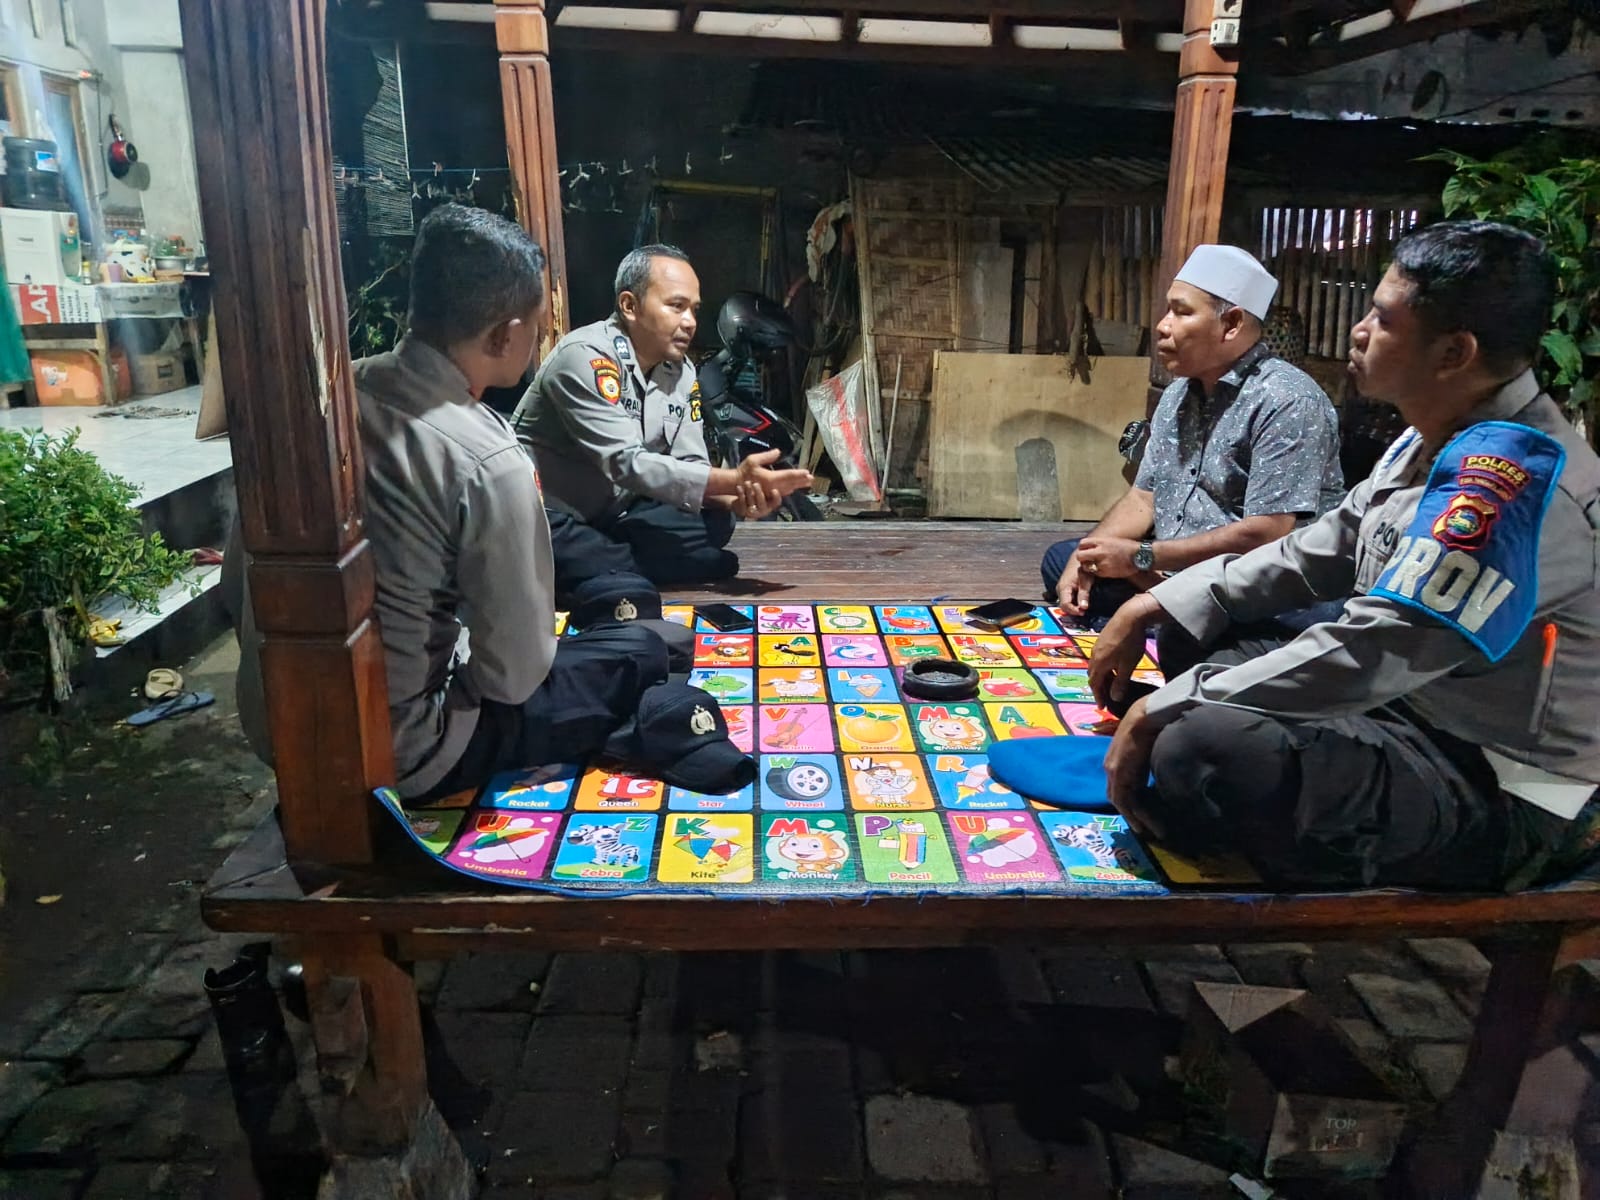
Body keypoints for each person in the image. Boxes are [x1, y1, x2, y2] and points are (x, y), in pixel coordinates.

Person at [1089, 220, 1600, 891]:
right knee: (1201, 652)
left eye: (1382, 320)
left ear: (1453, 352)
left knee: (1203, 740)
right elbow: (1314, 553)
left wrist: (1166, 706)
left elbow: (1376, 647)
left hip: (1500, 781)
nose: (1358, 331)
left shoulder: (1508, 484)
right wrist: (1157, 600)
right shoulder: (1428, 439)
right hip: (1408, 710)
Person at [225, 206, 752, 802]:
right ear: (505, 334)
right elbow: (514, 675)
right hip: (403, 751)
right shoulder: (489, 453)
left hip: (280, 731)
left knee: (652, 572)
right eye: (534, 321)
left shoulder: (328, 399)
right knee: (643, 650)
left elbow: (233, 579)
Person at [1041, 245, 1344, 667]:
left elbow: (1266, 534)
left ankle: (1166, 620)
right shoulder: (1179, 394)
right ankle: (1160, 610)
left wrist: (1140, 557)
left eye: (1181, 313)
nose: (1163, 326)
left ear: (1232, 323)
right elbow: (1142, 499)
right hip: (1175, 569)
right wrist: (1092, 552)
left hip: (1258, 586)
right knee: (1064, 560)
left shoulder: (1286, 399)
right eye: (1167, 311)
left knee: (1197, 645)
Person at [512, 244, 812, 587]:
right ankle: (626, 566)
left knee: (715, 520)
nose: (690, 322)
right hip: (549, 516)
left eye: (694, 310)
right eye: (676, 306)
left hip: (616, 512)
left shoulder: (682, 373)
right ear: (629, 306)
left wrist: (737, 500)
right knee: (591, 554)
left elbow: (691, 464)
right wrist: (730, 478)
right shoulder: (585, 357)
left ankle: (622, 564)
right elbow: (625, 463)